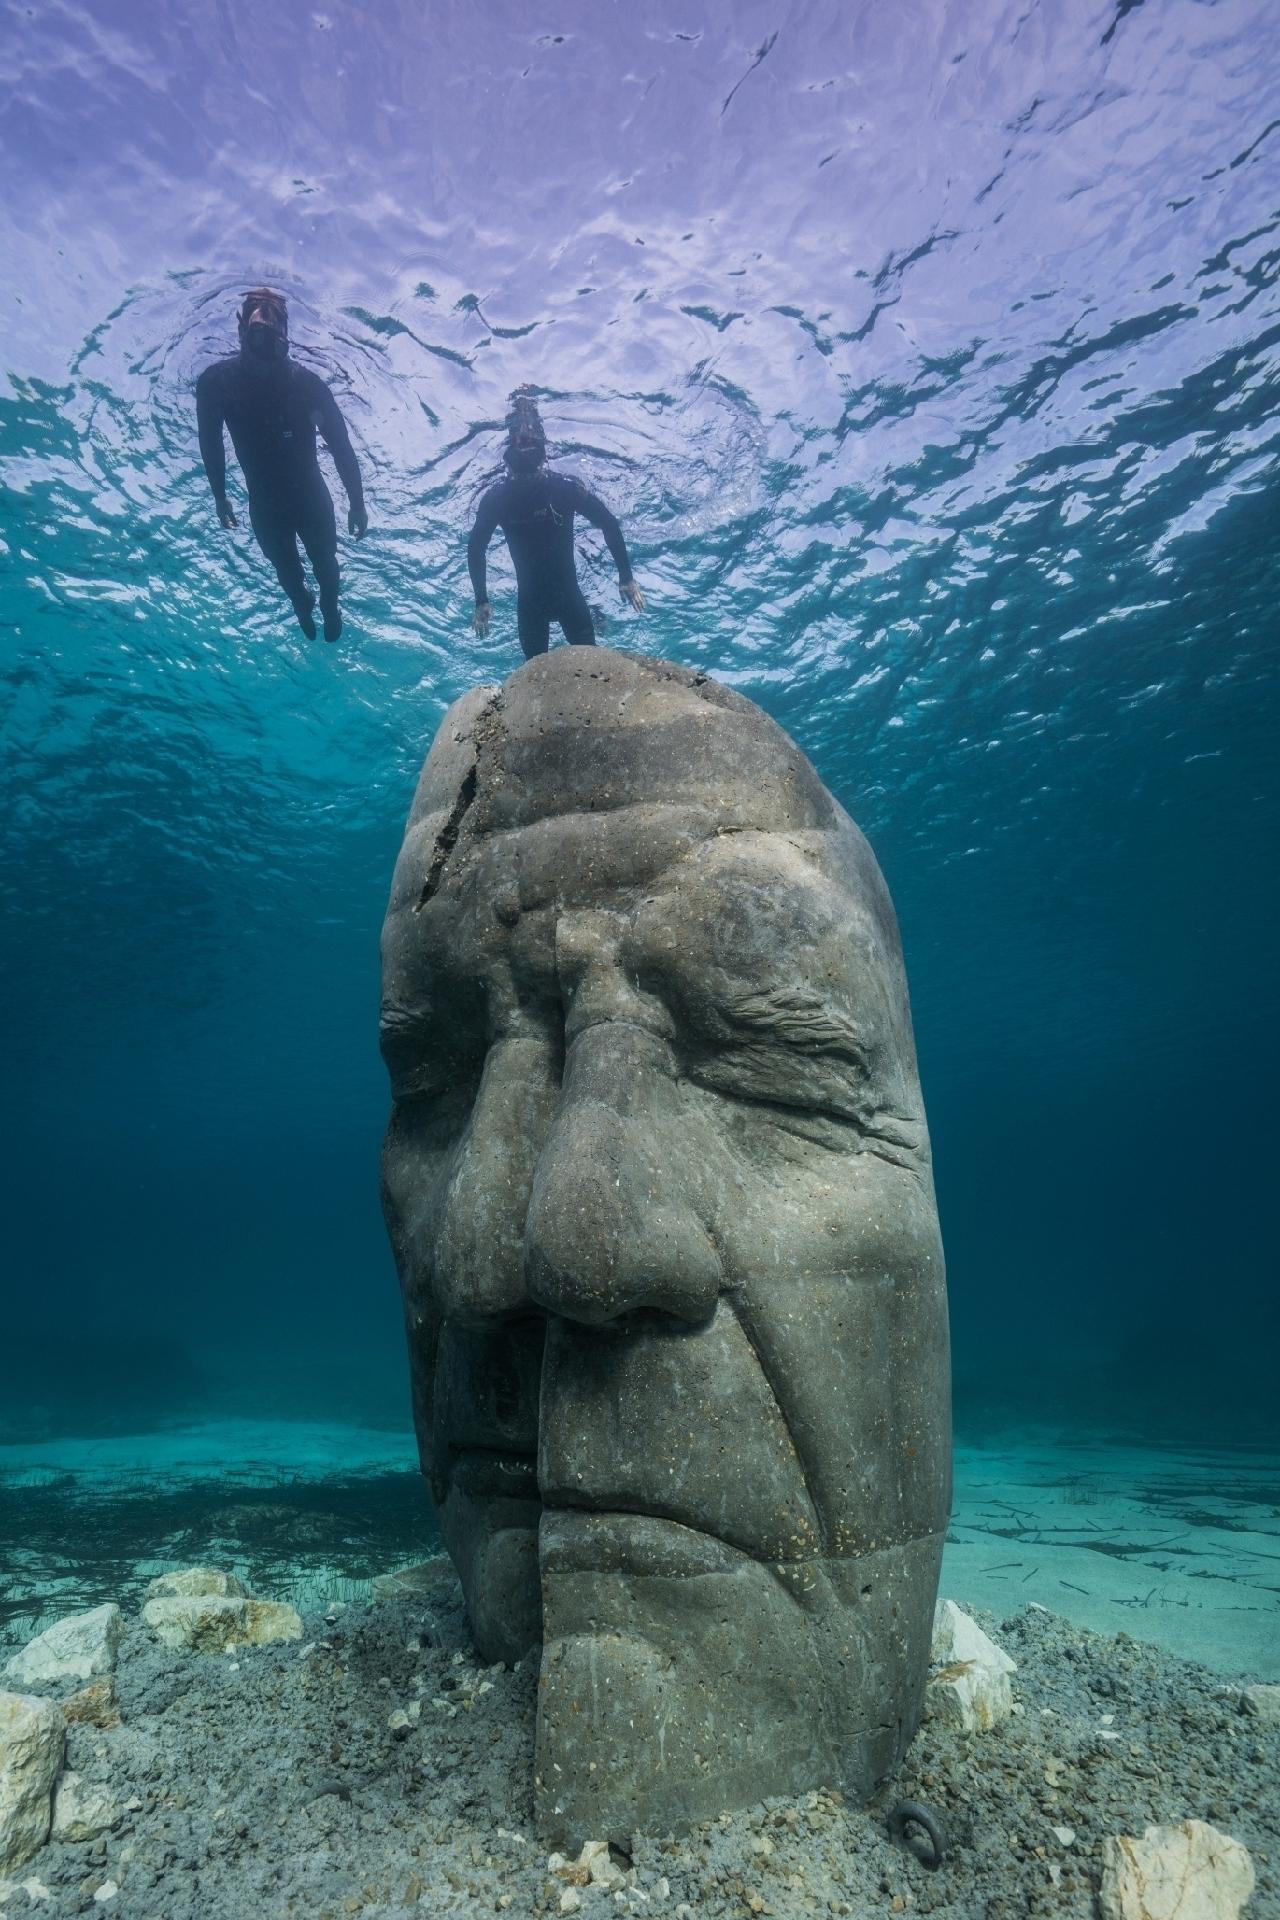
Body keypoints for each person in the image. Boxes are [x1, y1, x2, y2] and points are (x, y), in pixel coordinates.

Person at [196, 289, 368, 642]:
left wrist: (358, 501)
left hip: (310, 501)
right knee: (289, 575)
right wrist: (218, 495)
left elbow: (341, 446)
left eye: (272, 343)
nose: (264, 356)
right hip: (266, 507)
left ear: (286, 341)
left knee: (326, 567)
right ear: (241, 330)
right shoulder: (217, 384)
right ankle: (303, 604)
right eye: (257, 339)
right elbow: (210, 443)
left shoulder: (306, 385)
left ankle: (330, 606)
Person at [467, 390, 644, 658]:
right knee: (549, 679)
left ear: (542, 457)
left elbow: (608, 522)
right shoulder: (507, 497)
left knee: (589, 674)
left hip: (558, 600)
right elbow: (607, 522)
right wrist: (625, 576)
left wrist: (627, 577)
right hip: (538, 604)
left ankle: (598, 616)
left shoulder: (559, 490)